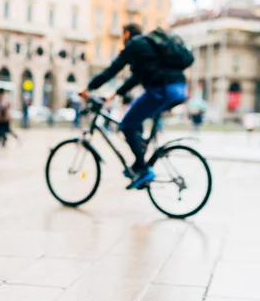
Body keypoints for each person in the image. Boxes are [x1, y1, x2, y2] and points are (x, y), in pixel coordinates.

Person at [79, 23, 189, 189]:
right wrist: (114, 95)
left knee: (126, 124)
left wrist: (90, 87)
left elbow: (113, 69)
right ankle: (139, 161)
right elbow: (136, 78)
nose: (123, 40)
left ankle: (143, 169)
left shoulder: (135, 44)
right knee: (135, 121)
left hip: (162, 90)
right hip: (178, 89)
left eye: (123, 36)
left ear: (128, 34)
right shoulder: (147, 47)